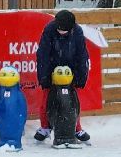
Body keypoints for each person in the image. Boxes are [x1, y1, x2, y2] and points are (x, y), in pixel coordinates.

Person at [34, 9, 91, 143]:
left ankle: (76, 128)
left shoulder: (77, 32)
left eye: (64, 30)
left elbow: (82, 55)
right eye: (59, 29)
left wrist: (81, 76)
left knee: (73, 102)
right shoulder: (49, 30)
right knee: (46, 100)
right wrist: (44, 77)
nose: (61, 32)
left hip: (69, 72)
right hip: (53, 69)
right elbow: (43, 55)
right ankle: (45, 127)